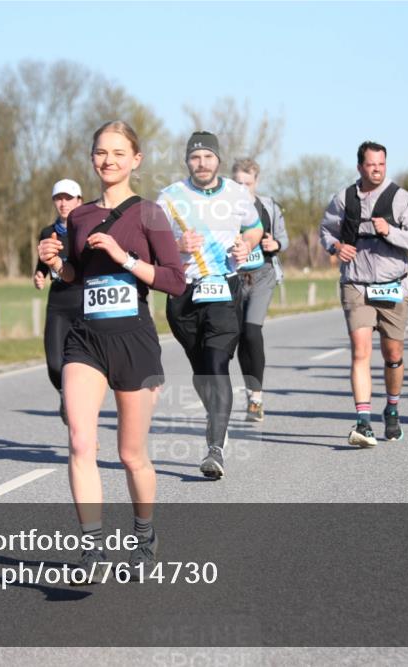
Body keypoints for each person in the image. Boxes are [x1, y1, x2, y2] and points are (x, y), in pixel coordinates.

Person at [37, 120, 185, 577]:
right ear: (92, 158)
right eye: (101, 152)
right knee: (81, 441)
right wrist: (55, 263)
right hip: (85, 338)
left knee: (130, 455)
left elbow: (174, 281)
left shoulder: (150, 214)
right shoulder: (79, 217)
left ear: (135, 160)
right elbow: (75, 277)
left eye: (119, 153)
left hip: (133, 340)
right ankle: (92, 549)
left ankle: (144, 534)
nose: (109, 160)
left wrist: (125, 258)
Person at [158, 131, 262, 479]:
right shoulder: (169, 198)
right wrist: (176, 244)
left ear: (218, 160)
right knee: (201, 369)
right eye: (195, 157)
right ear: (187, 161)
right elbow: (150, 245)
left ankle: (215, 448)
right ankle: (216, 415)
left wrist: (246, 245)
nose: (201, 163)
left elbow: (254, 228)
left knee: (217, 365)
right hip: (183, 295)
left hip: (223, 289)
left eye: (207, 157)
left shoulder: (236, 194)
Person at [320, 141, 408, 446]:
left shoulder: (402, 200)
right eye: (371, 164)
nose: (377, 169)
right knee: (361, 351)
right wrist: (336, 247)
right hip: (356, 284)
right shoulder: (343, 199)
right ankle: (363, 423)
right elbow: (326, 231)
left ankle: (392, 409)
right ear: (360, 167)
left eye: (381, 164)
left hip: (394, 284)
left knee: (392, 354)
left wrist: (389, 231)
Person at [232, 158, 289, 422]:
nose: (242, 188)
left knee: (252, 331)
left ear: (256, 182)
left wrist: (274, 244)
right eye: (238, 183)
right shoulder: (222, 208)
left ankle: (256, 397)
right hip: (233, 277)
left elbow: (283, 239)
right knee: (239, 336)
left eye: (247, 183)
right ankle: (250, 393)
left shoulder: (269, 207)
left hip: (262, 275)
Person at [34, 179, 84, 424]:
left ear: (79, 201)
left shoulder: (88, 229)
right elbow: (43, 263)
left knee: (84, 365)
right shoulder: (47, 232)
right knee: (55, 363)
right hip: (59, 303)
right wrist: (39, 274)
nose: (63, 203)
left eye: (68, 198)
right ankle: (65, 394)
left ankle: (82, 412)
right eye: (58, 199)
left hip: (85, 301)